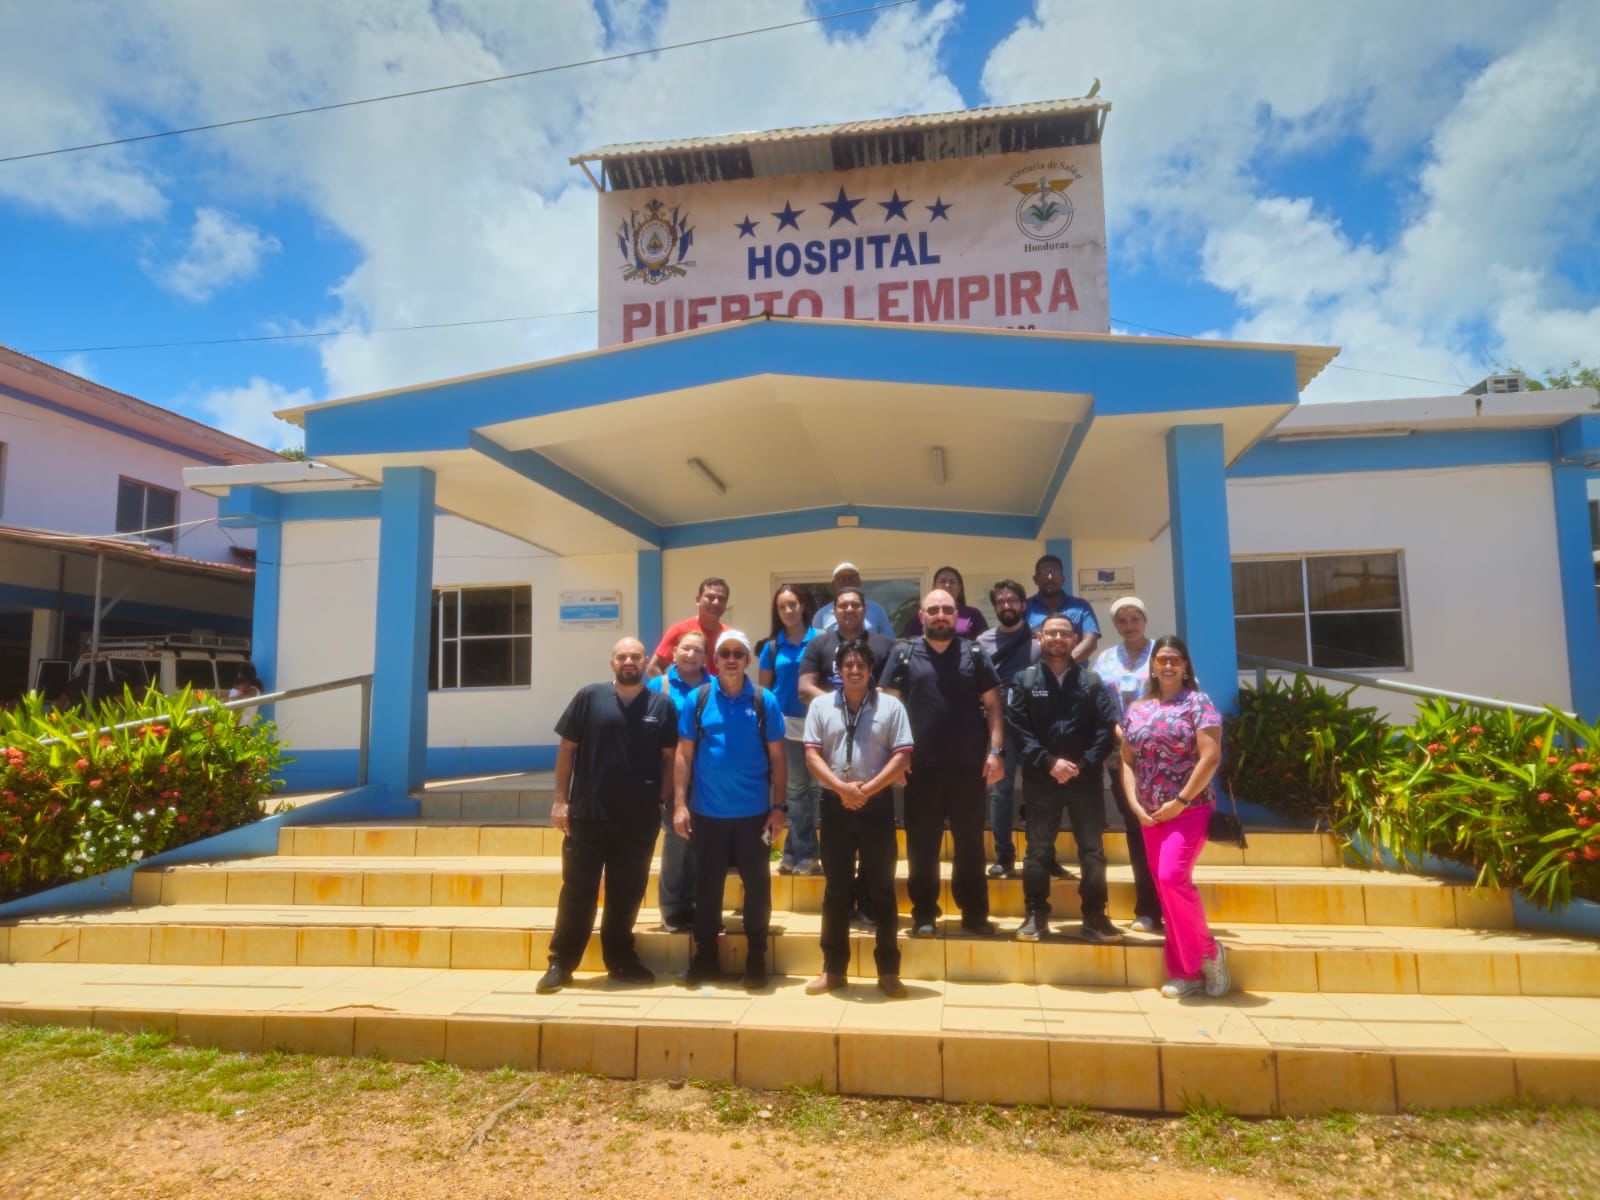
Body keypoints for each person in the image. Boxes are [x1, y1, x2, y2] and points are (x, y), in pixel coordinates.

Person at [538, 638, 679, 993]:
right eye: (622, 656)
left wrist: (662, 799)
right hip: (588, 815)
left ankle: (620, 960)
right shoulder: (589, 697)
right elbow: (567, 749)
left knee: (626, 893)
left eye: (636, 656)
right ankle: (561, 963)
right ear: (612, 661)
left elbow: (669, 758)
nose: (629, 661)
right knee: (578, 890)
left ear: (646, 662)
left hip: (638, 818)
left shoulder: (662, 705)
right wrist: (560, 801)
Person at [880, 588, 1005, 937]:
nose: (940, 615)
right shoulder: (903, 653)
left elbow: (994, 705)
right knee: (922, 847)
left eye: (947, 610)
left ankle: (974, 913)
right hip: (919, 770)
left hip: (969, 769)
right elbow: (887, 708)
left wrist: (996, 752)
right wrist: (894, 759)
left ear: (957, 616)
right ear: (922, 616)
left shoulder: (975, 653)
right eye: (933, 610)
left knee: (971, 845)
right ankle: (924, 913)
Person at [673, 630, 787, 990]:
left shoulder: (764, 700)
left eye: (739, 653)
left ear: (748, 660)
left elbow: (778, 758)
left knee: (757, 885)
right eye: (725, 654)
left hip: (755, 815)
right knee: (707, 886)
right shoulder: (698, 699)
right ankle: (705, 956)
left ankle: (756, 957)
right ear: (716, 660)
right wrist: (680, 804)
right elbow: (684, 754)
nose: (732, 659)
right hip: (707, 813)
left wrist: (778, 808)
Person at [1120, 635, 1230, 999]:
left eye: (1175, 660)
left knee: (1172, 879)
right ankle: (1186, 971)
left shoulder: (1198, 703)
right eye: (1162, 659)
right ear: (1152, 665)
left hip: (1189, 809)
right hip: (1150, 814)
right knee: (1165, 891)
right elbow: (1127, 760)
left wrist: (1181, 801)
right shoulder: (1137, 708)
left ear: (1185, 666)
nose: (1168, 665)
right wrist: (1134, 804)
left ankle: (1209, 953)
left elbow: (1210, 756)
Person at [803, 637, 914, 997]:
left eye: (861, 665)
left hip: (876, 806)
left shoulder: (891, 707)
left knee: (882, 888)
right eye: (847, 665)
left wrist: (866, 791)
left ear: (870, 670)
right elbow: (812, 755)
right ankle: (833, 969)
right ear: (838, 670)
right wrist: (842, 788)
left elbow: (902, 756)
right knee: (836, 889)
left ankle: (889, 971)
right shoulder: (821, 705)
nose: (854, 670)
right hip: (835, 805)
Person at [1005, 614, 1121, 943]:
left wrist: (1081, 765)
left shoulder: (1092, 681)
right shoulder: (1023, 680)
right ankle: (1035, 915)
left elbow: (1105, 729)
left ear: (1074, 640)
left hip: (1085, 780)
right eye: (1051, 632)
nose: (1058, 638)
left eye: (1065, 633)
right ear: (1039, 638)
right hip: (1042, 780)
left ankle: (1095, 916)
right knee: (1038, 850)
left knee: (1092, 851)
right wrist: (1049, 762)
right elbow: (1018, 729)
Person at [797, 585, 897, 929]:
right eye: (843, 605)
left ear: (865, 609)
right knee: (837, 860)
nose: (849, 610)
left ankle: (867, 904)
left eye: (856, 605)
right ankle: (839, 920)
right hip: (833, 757)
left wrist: (862, 700)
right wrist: (839, 704)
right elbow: (804, 687)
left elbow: (892, 691)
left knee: (876, 859)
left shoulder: (884, 645)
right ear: (834, 611)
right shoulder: (819, 644)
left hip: (875, 762)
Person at [1092, 596, 1162, 933]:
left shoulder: (1162, 653)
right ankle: (1147, 909)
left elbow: (1183, 696)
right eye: (1122, 620)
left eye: (1135, 618)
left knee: (1163, 828)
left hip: (1162, 756)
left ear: (1145, 620)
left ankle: (1171, 905)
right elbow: (1097, 704)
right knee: (1137, 827)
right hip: (1121, 756)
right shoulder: (1106, 659)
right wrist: (1120, 734)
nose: (1129, 626)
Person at [646, 629, 709, 933]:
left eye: (697, 650)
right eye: (685, 648)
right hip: (671, 775)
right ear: (674, 653)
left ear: (705, 657)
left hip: (708, 775)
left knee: (700, 841)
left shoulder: (715, 685)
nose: (691, 654)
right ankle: (671, 908)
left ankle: (693, 905)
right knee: (676, 838)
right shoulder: (659, 686)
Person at [758, 584, 820, 876]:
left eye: (792, 604)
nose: (788, 611)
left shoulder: (820, 640)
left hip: (818, 724)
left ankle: (794, 853)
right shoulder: (771, 648)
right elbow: (764, 692)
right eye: (782, 607)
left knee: (815, 790)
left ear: (802, 606)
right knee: (796, 790)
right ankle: (806, 853)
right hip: (785, 726)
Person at [647, 577, 729, 677]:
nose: (716, 602)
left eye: (721, 599)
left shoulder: (729, 635)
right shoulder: (680, 630)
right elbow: (653, 668)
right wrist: (669, 686)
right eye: (710, 597)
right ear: (698, 600)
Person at [1024, 555, 1101, 661]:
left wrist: (1063, 665)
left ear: (1063, 579)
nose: (1050, 577)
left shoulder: (1081, 606)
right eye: (1044, 573)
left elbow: (1091, 642)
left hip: (1074, 670)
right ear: (1035, 579)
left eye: (1055, 573)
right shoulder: (1024, 607)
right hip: (1035, 671)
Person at [811, 563, 894, 636]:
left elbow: (888, 642)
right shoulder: (822, 615)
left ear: (859, 582)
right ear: (833, 584)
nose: (847, 581)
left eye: (851, 577)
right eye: (841, 578)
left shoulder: (876, 610)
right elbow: (816, 645)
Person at [904, 566, 989, 639]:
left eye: (952, 582)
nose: (947, 585)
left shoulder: (973, 614)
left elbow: (984, 644)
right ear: (934, 587)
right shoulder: (924, 615)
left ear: (959, 588)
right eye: (942, 581)